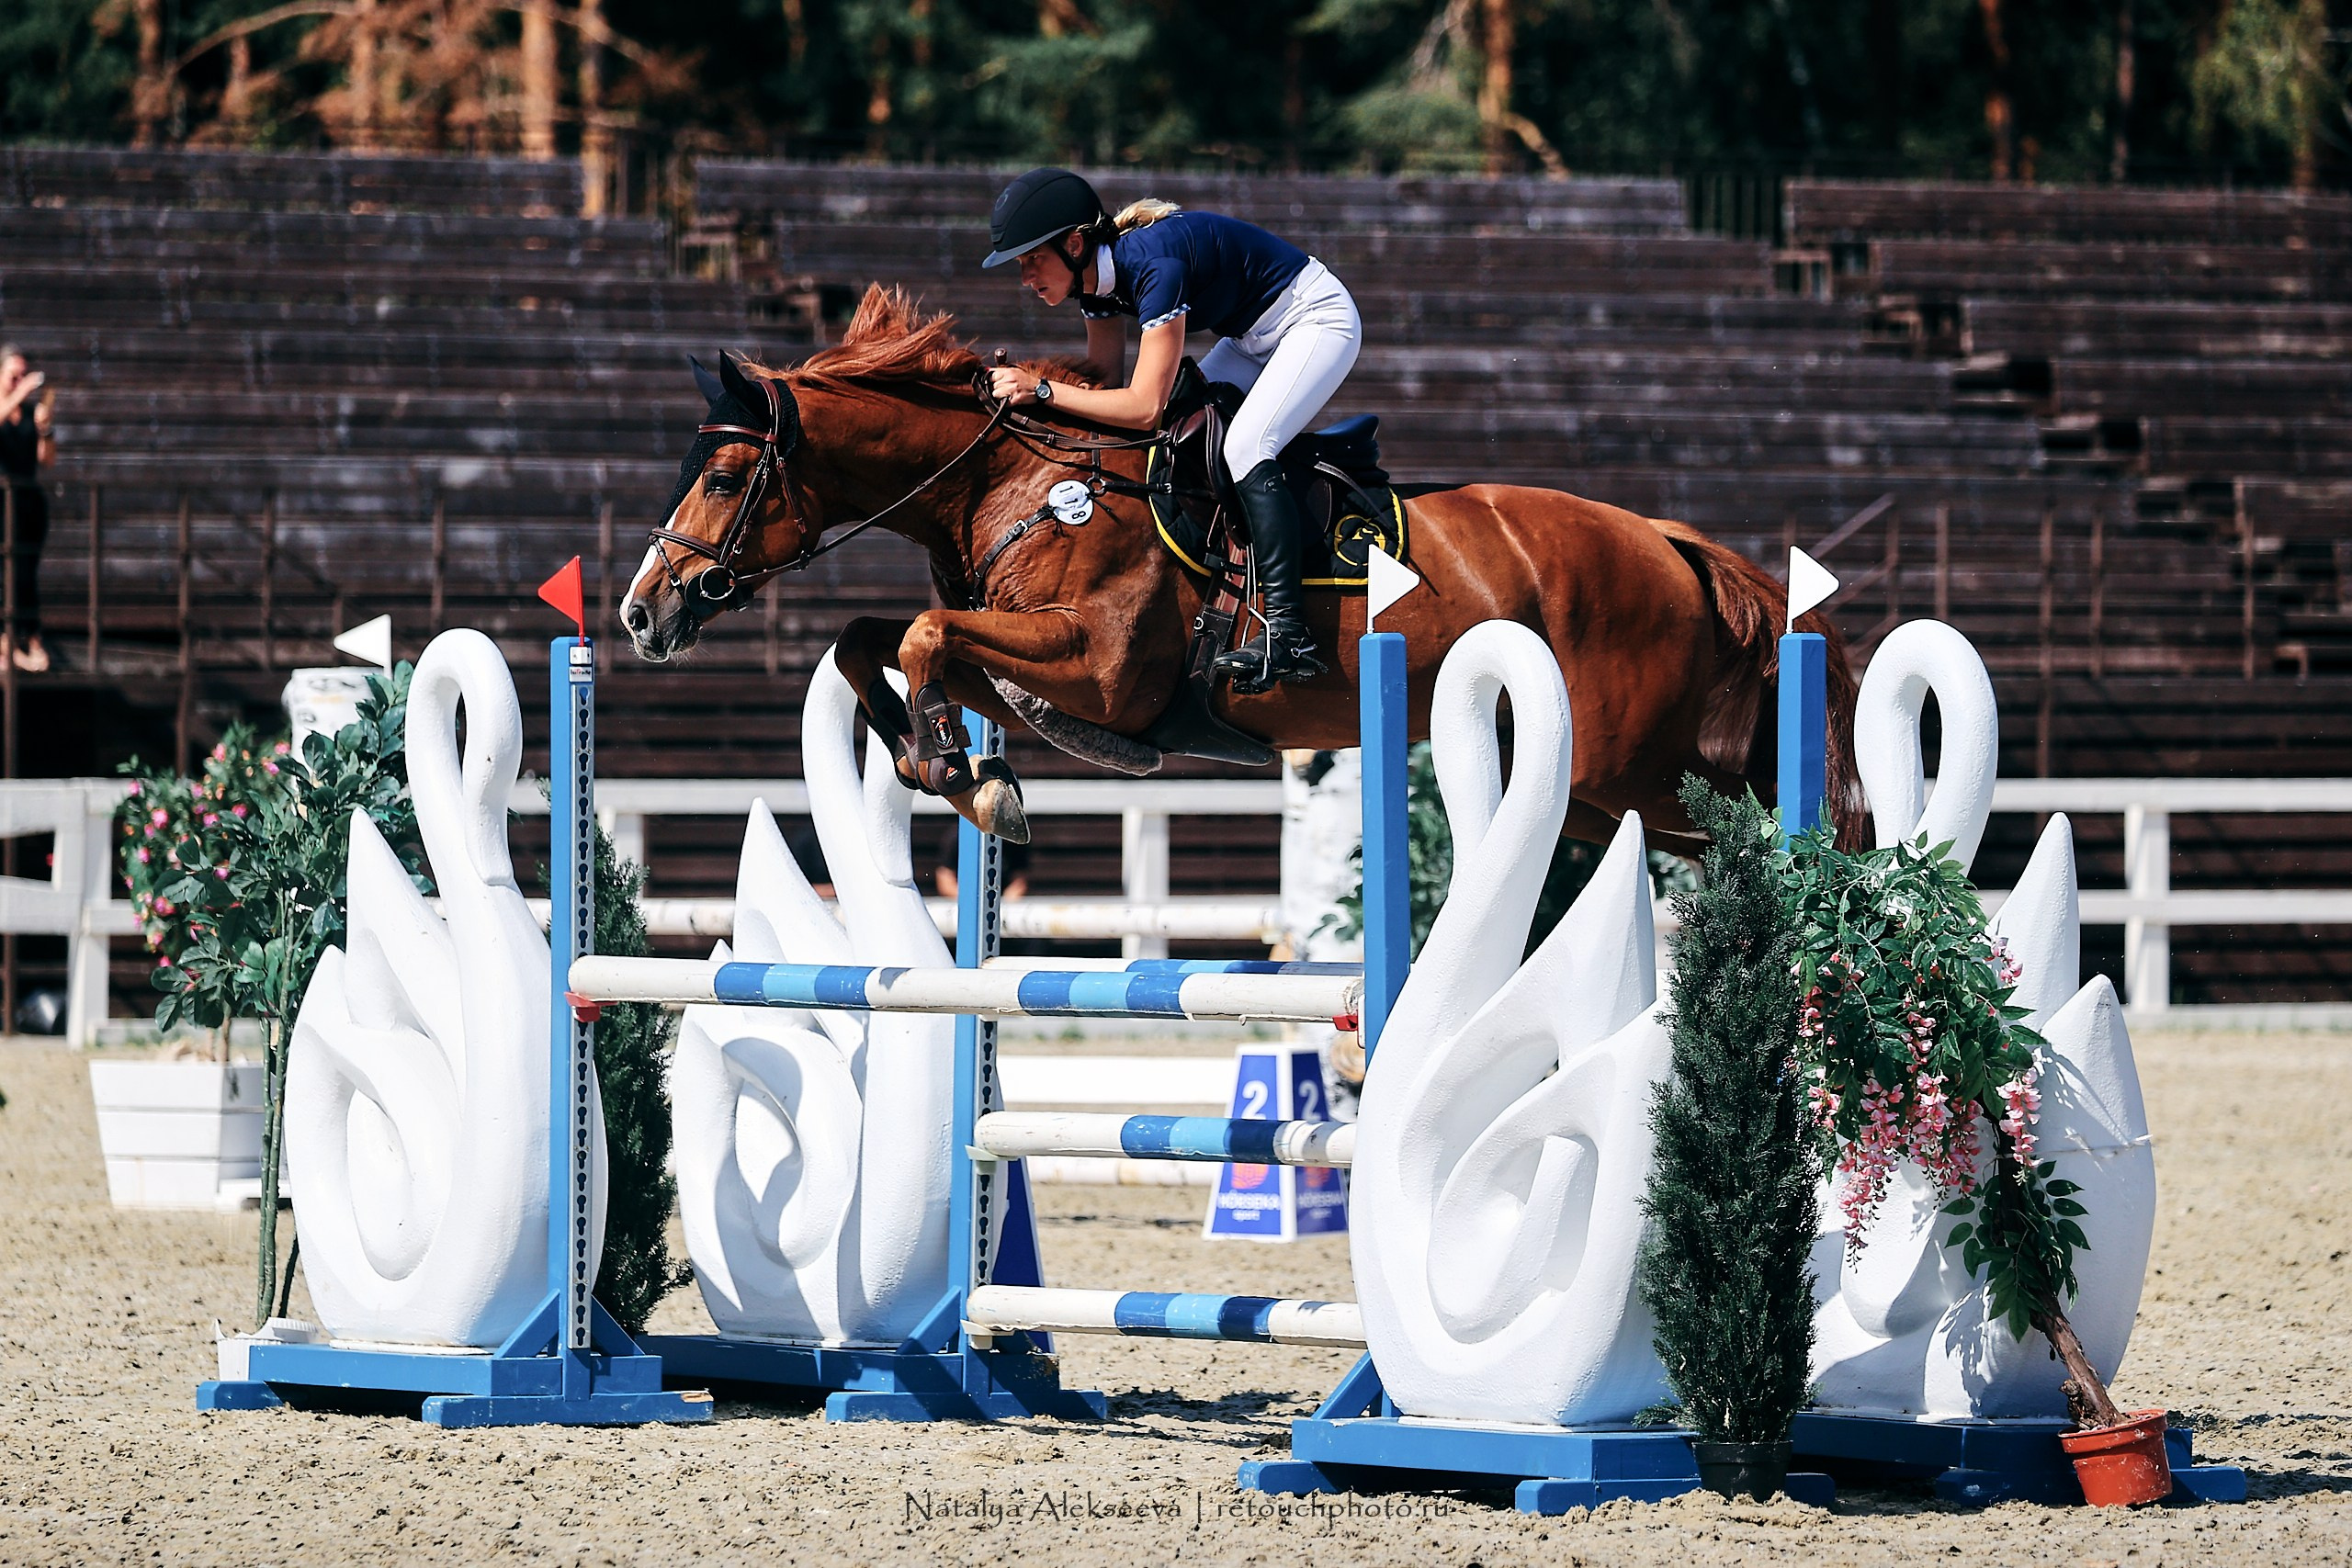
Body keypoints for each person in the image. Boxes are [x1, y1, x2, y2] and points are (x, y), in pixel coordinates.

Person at [979, 169, 1363, 693]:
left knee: (1247, 444)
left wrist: (1041, 390)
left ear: (1073, 244)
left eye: (1031, 260)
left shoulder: (1155, 268)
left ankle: (1290, 632)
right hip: (1252, 335)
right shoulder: (1096, 284)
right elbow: (1103, 387)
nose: (1025, 276)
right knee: (1177, 437)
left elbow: (1140, 406)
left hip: (1314, 319)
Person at [0, 347, 54, 673]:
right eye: (13, 375)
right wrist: (19, 392)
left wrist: (45, 429)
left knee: (25, 571)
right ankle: (4, 643)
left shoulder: (28, 412)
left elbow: (46, 459)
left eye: (23, 376)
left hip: (26, 500)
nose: (21, 383)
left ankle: (27, 638)